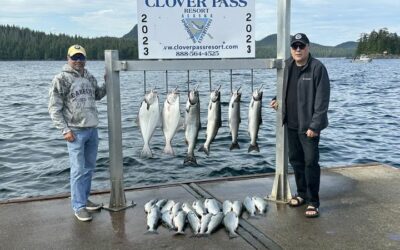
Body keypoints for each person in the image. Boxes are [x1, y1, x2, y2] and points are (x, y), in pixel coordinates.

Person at [270, 33, 330, 218]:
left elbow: (322, 101)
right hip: (291, 124)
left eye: (301, 46)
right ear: (291, 49)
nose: (298, 50)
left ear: (308, 47)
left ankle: (313, 201)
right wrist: (276, 100)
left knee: (310, 163)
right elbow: (284, 90)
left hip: (309, 127)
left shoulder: (317, 68)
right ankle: (302, 194)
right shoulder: (287, 65)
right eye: (294, 46)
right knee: (296, 161)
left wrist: (315, 126)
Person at [48, 44, 107, 221]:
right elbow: (53, 108)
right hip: (74, 131)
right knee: (78, 170)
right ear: (68, 58)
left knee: (89, 168)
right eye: (75, 57)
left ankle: (84, 199)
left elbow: (98, 94)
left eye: (81, 57)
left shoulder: (89, 76)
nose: (78, 61)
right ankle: (78, 206)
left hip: (92, 129)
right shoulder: (61, 79)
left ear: (85, 59)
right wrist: (64, 130)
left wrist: (108, 81)